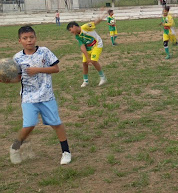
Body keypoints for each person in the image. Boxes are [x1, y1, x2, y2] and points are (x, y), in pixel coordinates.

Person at [1, 25, 71, 166]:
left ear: (35, 38)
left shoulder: (44, 52)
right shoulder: (17, 58)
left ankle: (66, 152)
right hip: (28, 97)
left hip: (46, 95)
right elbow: (18, 78)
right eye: (25, 38)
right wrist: (5, 79)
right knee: (29, 125)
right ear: (20, 40)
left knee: (56, 123)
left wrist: (37, 69)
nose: (29, 40)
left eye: (31, 37)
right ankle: (15, 147)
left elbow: (56, 69)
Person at [66, 11, 107, 87]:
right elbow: (82, 46)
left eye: (70, 30)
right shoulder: (77, 36)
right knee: (84, 63)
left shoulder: (85, 27)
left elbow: (94, 23)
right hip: (88, 48)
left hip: (96, 44)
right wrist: (87, 58)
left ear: (74, 26)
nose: (70, 32)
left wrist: (101, 18)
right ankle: (86, 81)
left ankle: (103, 78)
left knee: (93, 61)